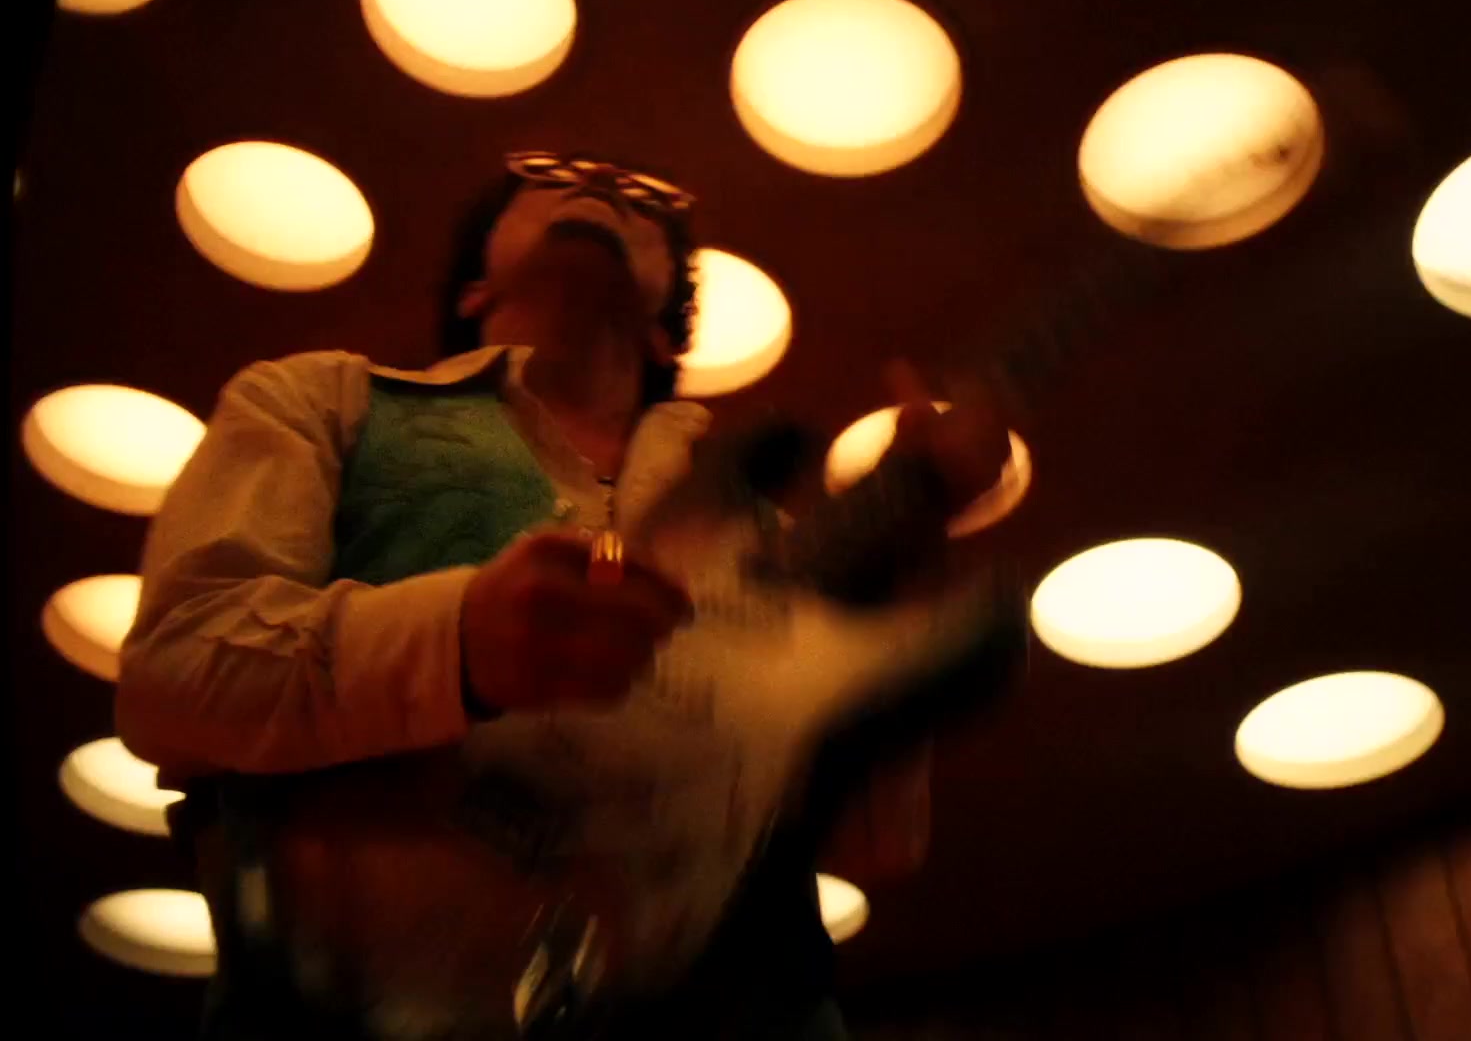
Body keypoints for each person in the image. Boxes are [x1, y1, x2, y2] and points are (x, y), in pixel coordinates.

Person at [117, 151, 1013, 1039]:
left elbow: (875, 844)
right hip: (351, 996)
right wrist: (459, 642)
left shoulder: (763, 522)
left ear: (665, 332)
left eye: (640, 199)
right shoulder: (322, 398)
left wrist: (906, 547)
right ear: (475, 290)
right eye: (546, 176)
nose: (598, 185)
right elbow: (172, 675)